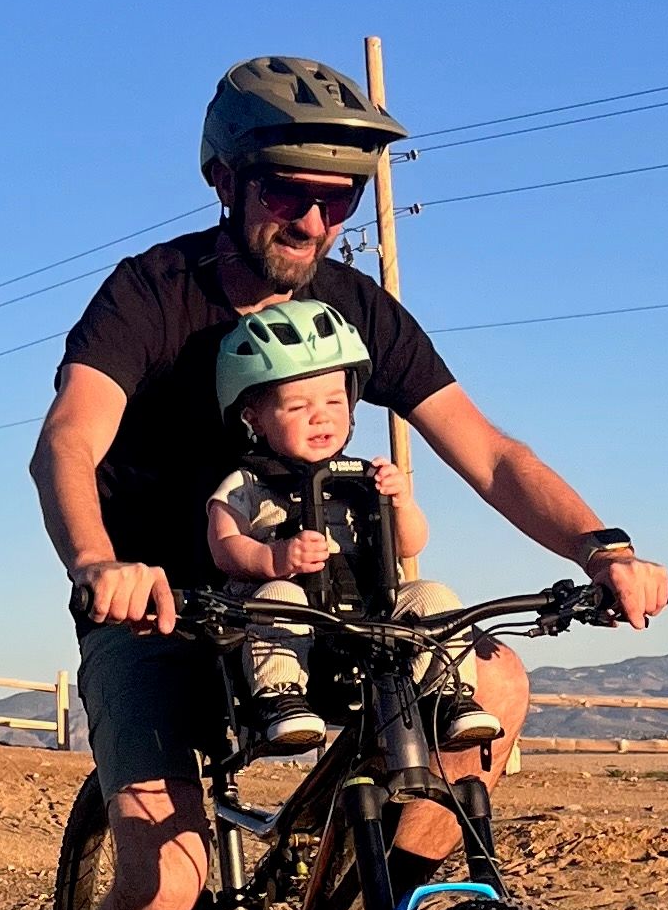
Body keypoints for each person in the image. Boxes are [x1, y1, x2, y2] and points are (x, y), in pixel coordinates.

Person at [30, 51, 668, 910]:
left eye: (340, 199)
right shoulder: (152, 294)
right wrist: (101, 563)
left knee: (495, 691)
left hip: (327, 615)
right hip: (166, 615)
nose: (317, 219)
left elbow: (490, 452)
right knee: (168, 878)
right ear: (226, 181)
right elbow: (68, 442)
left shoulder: (357, 308)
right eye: (292, 193)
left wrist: (600, 546)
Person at [202, 299, 493, 759]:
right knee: (282, 597)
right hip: (292, 614)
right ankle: (281, 695)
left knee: (435, 595)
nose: (322, 416)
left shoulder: (362, 477)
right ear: (251, 417)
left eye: (335, 401)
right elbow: (224, 544)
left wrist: (400, 503)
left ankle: (446, 693)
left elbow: (411, 544)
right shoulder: (249, 482)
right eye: (298, 406)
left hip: (368, 614)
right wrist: (274, 560)